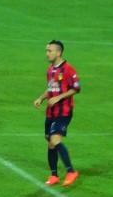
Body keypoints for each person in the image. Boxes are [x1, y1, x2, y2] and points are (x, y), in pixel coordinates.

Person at [34, 40, 81, 187]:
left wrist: (59, 97)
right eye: (47, 50)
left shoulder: (68, 69)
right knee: (50, 143)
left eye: (50, 51)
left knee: (55, 139)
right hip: (51, 112)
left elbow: (76, 88)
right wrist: (41, 98)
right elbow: (51, 88)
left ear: (58, 52)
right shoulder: (50, 70)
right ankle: (54, 175)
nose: (47, 53)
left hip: (64, 111)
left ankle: (71, 171)